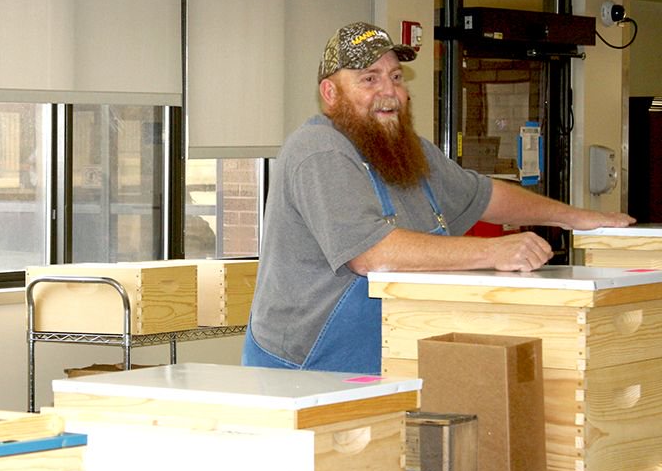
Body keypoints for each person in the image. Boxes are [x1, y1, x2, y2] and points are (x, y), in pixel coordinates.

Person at [243, 22, 634, 375]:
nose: (388, 92)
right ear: (330, 93)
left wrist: (574, 218)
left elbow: (485, 196)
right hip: (301, 366)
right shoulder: (320, 150)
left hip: (382, 356)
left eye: (395, 77)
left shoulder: (407, 150)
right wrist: (493, 252)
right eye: (369, 79)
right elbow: (373, 255)